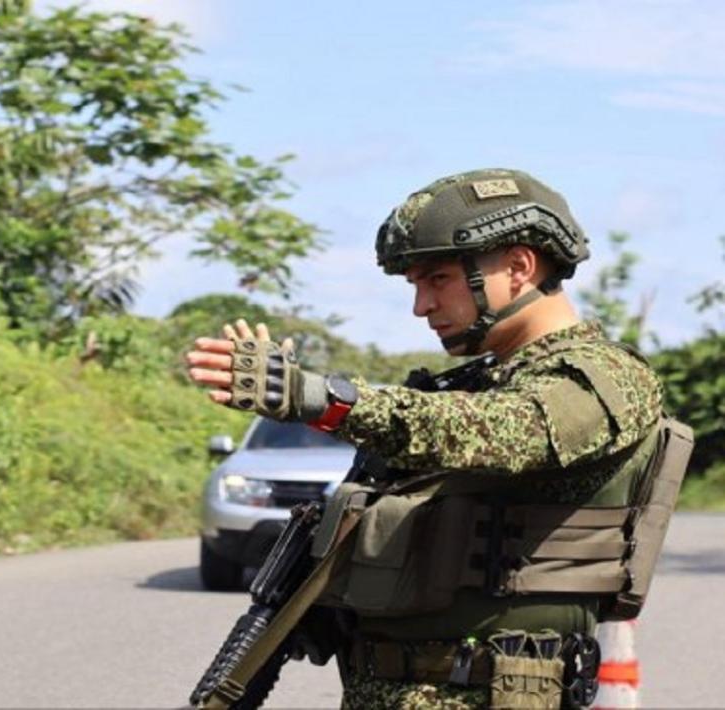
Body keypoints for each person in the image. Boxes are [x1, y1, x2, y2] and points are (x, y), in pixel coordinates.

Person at [186, 168, 665, 709]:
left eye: (437, 279)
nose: (422, 306)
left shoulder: (603, 377)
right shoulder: (477, 381)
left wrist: (323, 398)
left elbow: (505, 431)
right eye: (416, 285)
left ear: (519, 266)